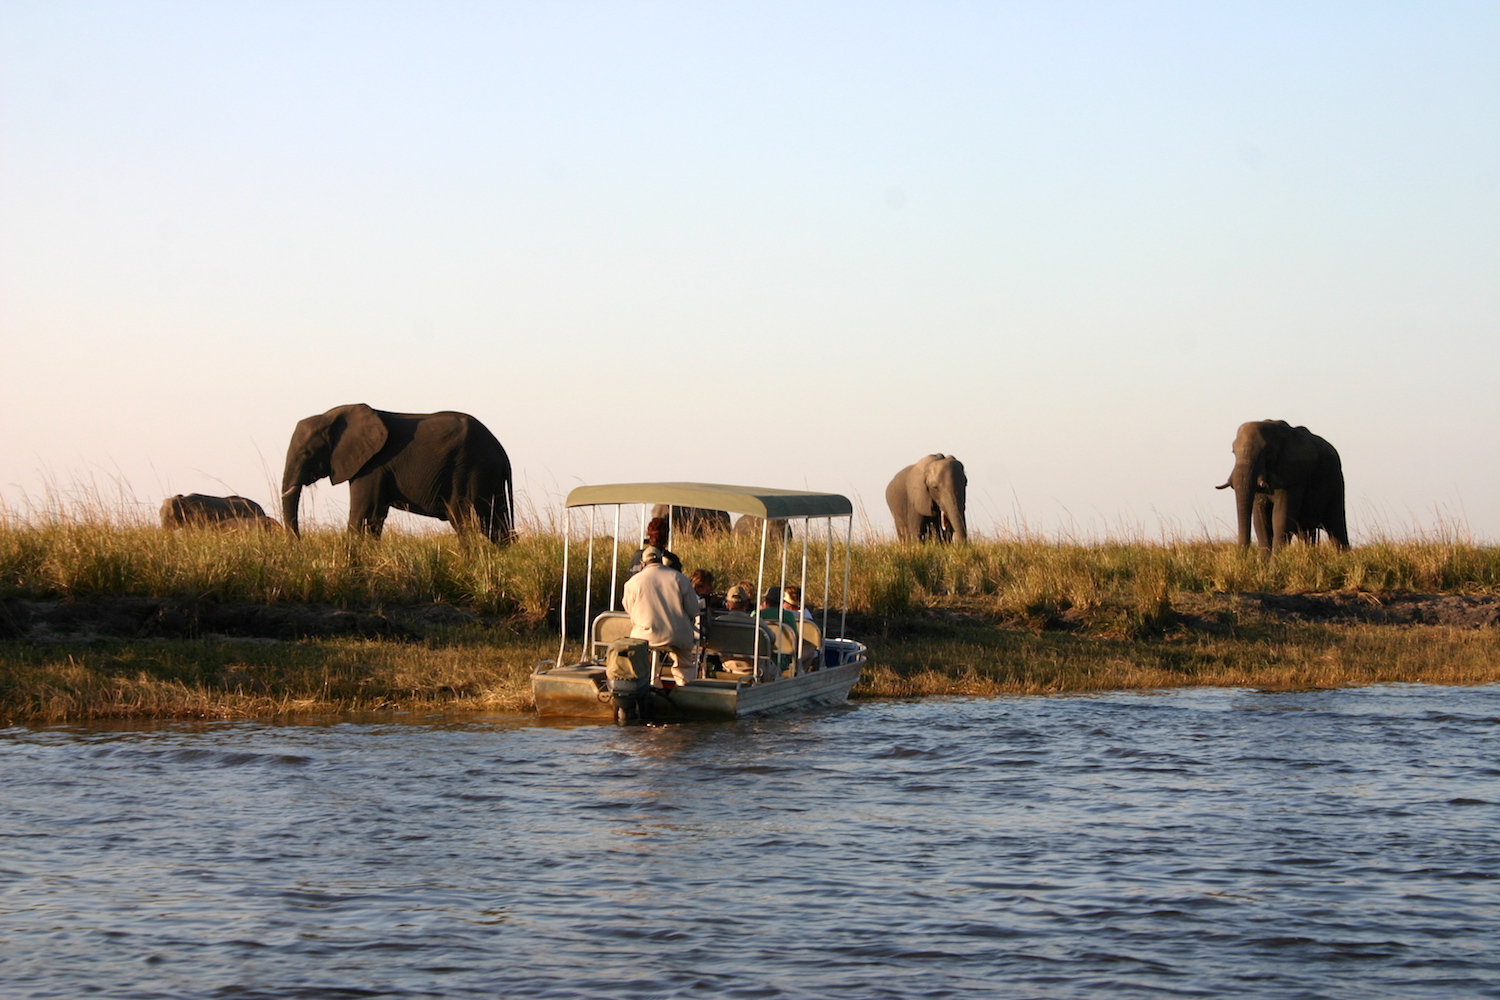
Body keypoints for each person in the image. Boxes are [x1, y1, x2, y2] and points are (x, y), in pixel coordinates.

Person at [621, 545, 701, 685]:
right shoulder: (680, 579)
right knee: (685, 663)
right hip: (678, 636)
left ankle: (650, 685)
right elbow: (694, 610)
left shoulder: (632, 583)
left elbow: (630, 610)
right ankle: (685, 689)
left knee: (642, 656)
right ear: (661, 560)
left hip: (645, 636)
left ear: (643, 563)